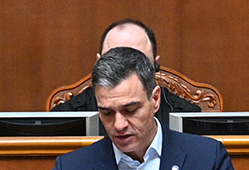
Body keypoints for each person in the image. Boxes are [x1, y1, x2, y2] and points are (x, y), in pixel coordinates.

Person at [37, 47, 249, 170]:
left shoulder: (206, 159)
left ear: (155, 99)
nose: (119, 125)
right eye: (107, 113)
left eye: (130, 110)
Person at [55, 19, 201, 117]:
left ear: (155, 66)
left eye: (138, 61)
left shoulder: (185, 115)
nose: (125, 71)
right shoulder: (66, 115)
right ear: (98, 64)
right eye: (115, 59)